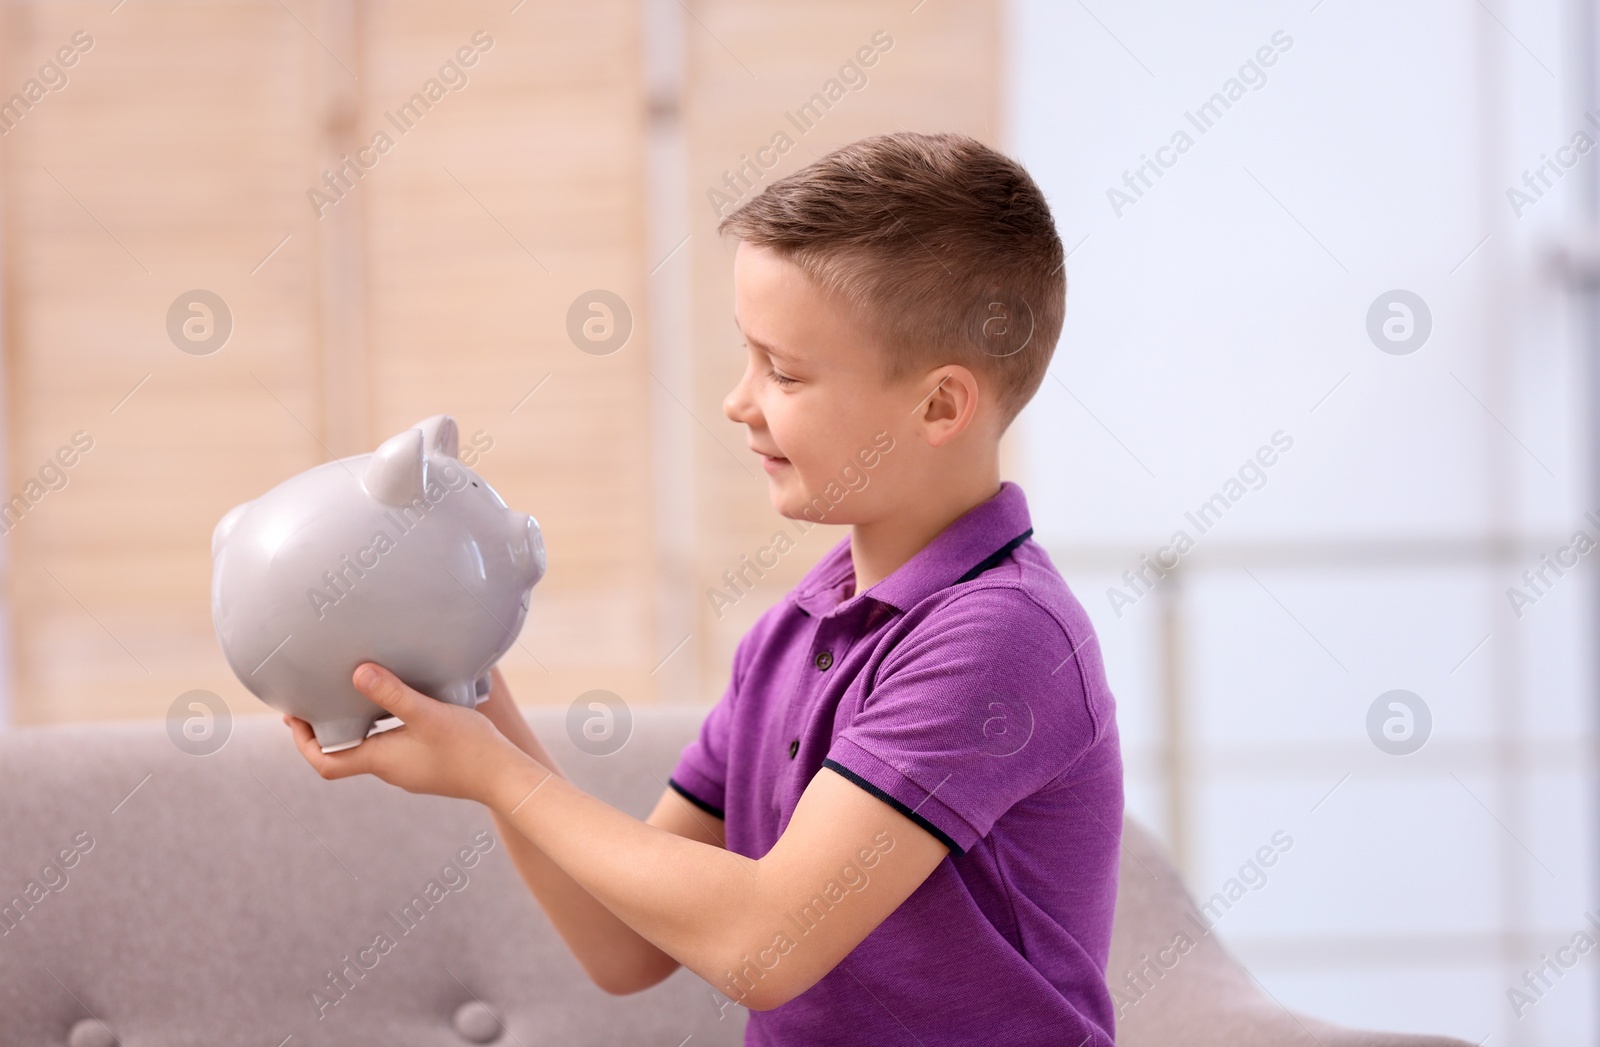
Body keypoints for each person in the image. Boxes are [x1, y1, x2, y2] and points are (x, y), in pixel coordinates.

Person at [284, 130, 1124, 1046]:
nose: (739, 400)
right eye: (748, 357)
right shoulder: (791, 638)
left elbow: (766, 940)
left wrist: (490, 769)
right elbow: (621, 949)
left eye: (786, 372)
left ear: (938, 406)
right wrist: (469, 687)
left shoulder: (1003, 639)